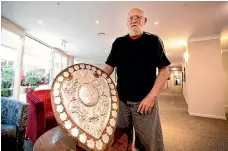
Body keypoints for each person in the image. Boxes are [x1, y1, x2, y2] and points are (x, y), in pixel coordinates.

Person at [103, 8, 171, 151]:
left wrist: (152, 97)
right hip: (121, 101)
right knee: (121, 139)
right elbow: (109, 68)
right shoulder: (119, 42)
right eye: (131, 18)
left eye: (138, 17)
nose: (134, 20)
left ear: (144, 21)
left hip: (145, 102)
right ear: (127, 22)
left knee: (149, 144)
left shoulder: (153, 41)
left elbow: (164, 70)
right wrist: (93, 81)